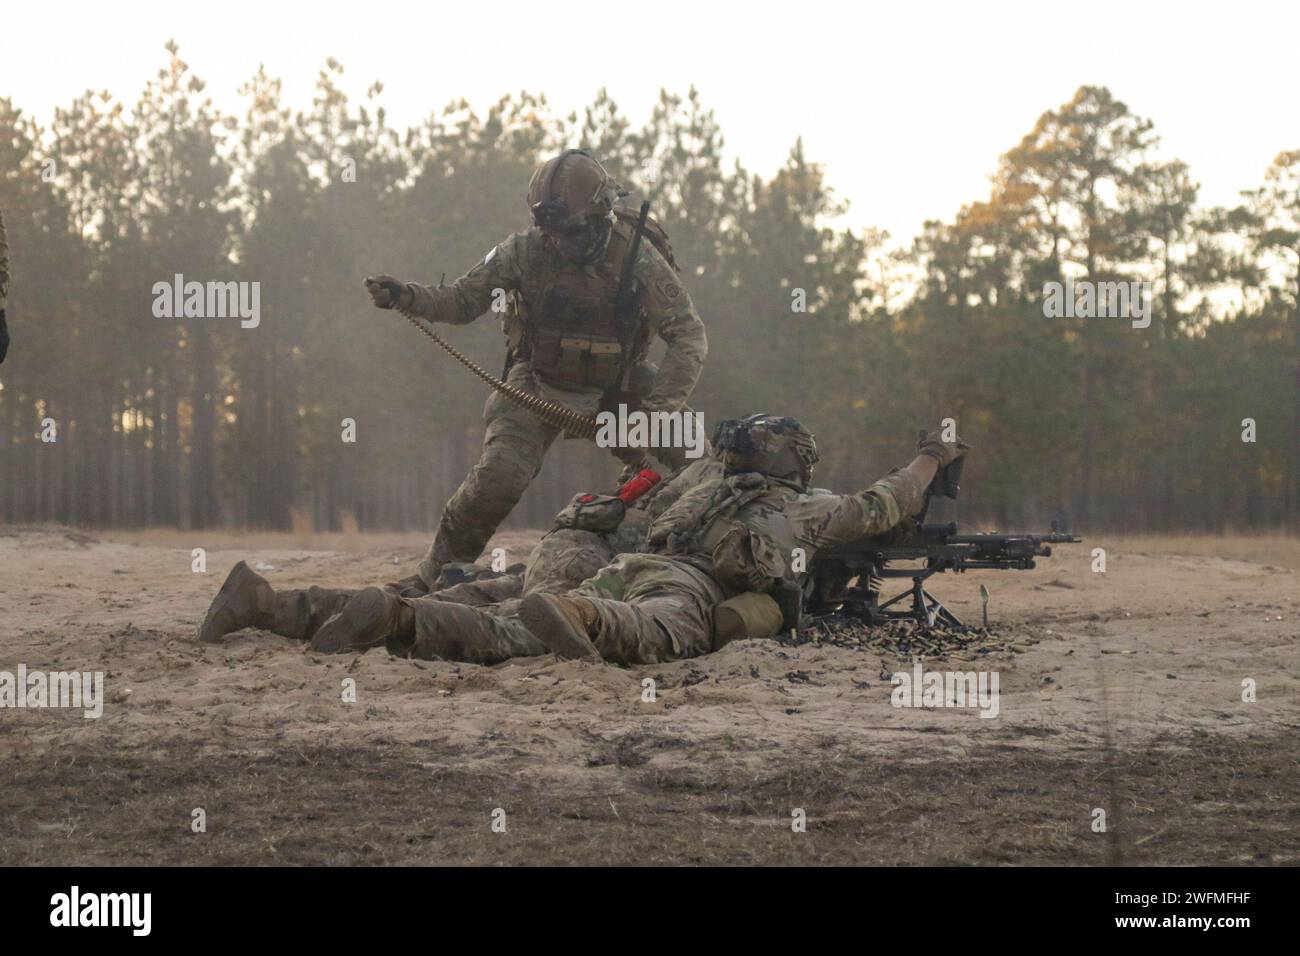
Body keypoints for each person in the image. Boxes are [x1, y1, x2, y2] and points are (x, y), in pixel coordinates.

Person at [364, 149, 707, 591]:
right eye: (550, 229)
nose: (559, 241)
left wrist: (658, 410)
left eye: (571, 230)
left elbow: (687, 334)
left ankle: (704, 563)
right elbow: (463, 300)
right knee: (496, 478)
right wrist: (406, 296)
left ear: (601, 215)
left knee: (703, 467)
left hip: (619, 389)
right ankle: (431, 577)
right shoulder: (524, 250)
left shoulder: (637, 256)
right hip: (539, 386)